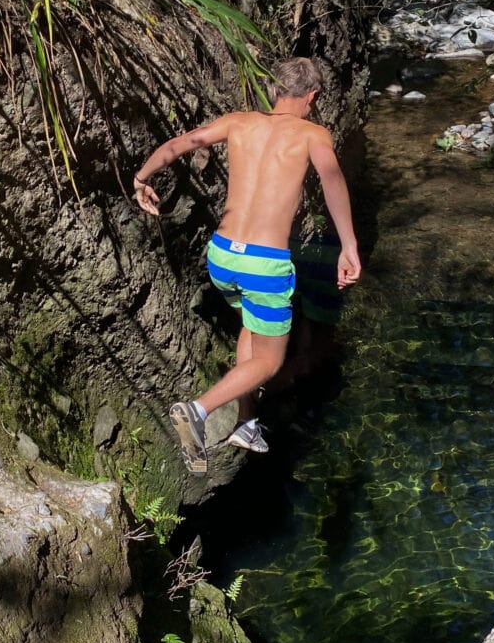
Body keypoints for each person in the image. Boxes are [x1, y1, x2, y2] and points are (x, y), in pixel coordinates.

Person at [133, 57, 361, 476]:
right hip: (264, 263)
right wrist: (349, 245)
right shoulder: (312, 133)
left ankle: (245, 422)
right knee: (271, 361)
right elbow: (331, 178)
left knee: (252, 327)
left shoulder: (238, 121)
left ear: (274, 91)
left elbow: (181, 144)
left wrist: (142, 177)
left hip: (222, 255)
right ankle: (197, 411)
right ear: (311, 96)